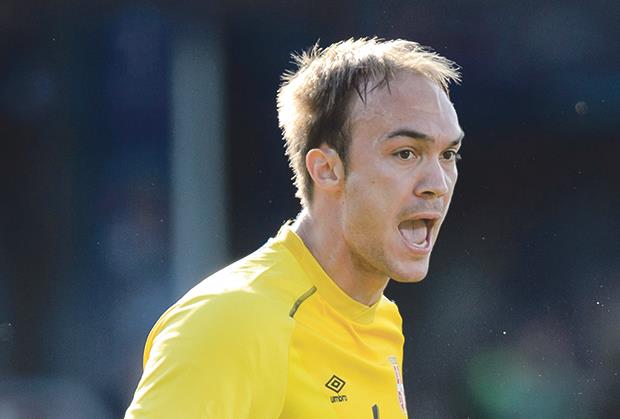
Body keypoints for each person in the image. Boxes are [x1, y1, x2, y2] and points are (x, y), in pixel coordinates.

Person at [125, 37, 463, 418]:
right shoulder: (232, 320)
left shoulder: (382, 321)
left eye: (448, 154)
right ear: (327, 169)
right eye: (405, 153)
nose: (438, 183)